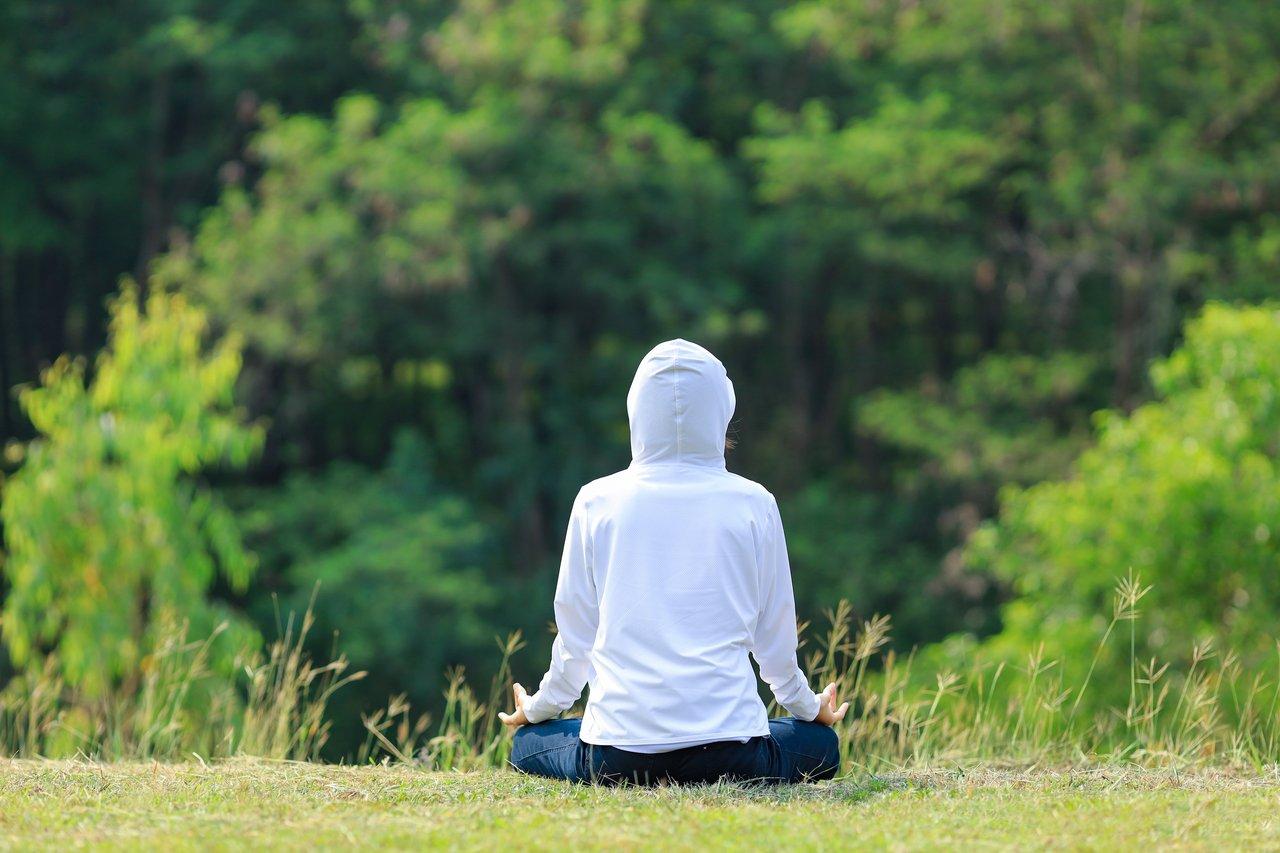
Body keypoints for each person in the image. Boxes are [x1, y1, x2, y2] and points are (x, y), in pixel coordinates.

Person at [499, 339, 848, 785]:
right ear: (721, 411)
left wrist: (537, 708)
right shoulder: (755, 503)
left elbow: (575, 644)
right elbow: (775, 646)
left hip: (619, 757)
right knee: (821, 746)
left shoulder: (595, 502)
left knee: (528, 744)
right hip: (733, 754)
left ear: (637, 412)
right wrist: (808, 706)